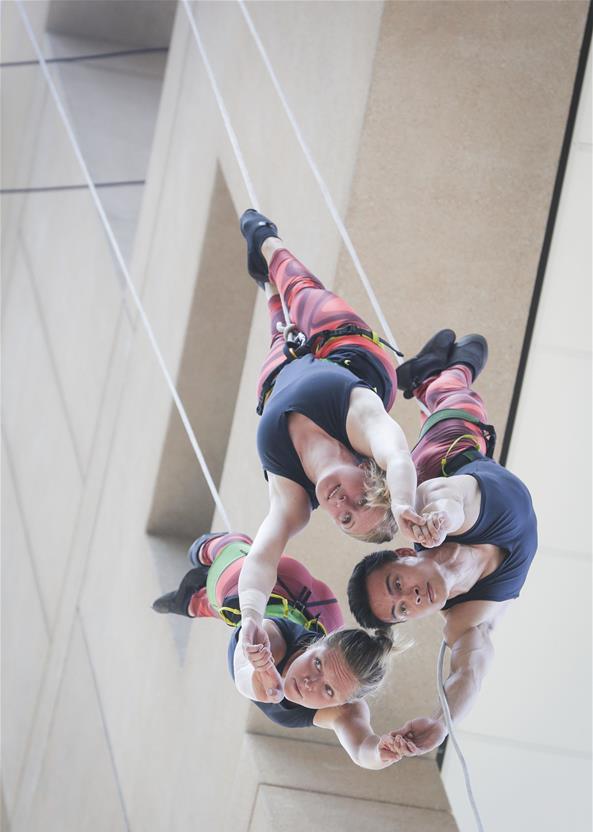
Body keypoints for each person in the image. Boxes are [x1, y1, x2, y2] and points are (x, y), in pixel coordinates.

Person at [237, 208, 423, 677]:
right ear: (368, 471)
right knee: (299, 288)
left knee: (278, 315)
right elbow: (399, 455)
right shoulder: (364, 425)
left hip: (279, 376)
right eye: (361, 500)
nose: (342, 504)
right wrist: (404, 503)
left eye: (344, 517)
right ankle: (268, 242)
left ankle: (267, 287)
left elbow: (261, 557)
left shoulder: (294, 501)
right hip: (346, 349)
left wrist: (251, 617)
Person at [347, 330, 538, 757]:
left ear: (404, 555)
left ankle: (440, 377)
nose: (411, 598)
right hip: (482, 478)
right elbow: (470, 672)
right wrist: (440, 722)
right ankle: (427, 378)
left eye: (397, 584)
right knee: (454, 392)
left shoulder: (428, 507)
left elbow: (456, 502)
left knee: (457, 393)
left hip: (447, 457)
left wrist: (439, 522)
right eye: (401, 610)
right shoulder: (465, 620)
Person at [152, 532, 406, 770]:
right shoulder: (273, 639)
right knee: (229, 591)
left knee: (222, 607)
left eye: (328, 690)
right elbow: (243, 669)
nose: (309, 683)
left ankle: (198, 602)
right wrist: (260, 670)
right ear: (315, 645)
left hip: (315, 621)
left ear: (343, 703)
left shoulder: (346, 709)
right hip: (287, 587)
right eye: (317, 664)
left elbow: (362, 748)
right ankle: (222, 546)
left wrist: (383, 753)